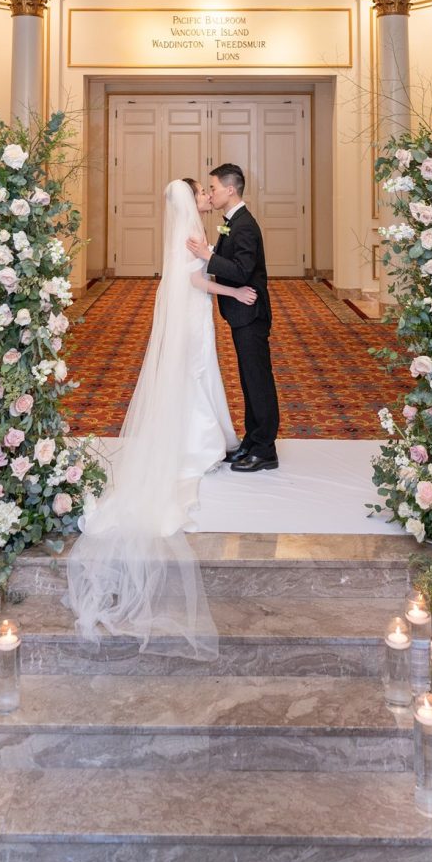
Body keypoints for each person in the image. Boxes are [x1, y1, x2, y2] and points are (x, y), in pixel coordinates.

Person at [66, 177, 256, 656]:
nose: (202, 196)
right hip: (195, 312)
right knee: (196, 374)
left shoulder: (183, 228)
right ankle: (199, 442)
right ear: (187, 198)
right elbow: (193, 278)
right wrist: (232, 294)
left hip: (193, 313)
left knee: (198, 375)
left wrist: (211, 262)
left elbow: (192, 269)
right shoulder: (189, 228)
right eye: (198, 191)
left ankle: (205, 435)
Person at [187, 163, 279, 472]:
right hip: (241, 314)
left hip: (251, 313)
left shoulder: (245, 225)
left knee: (258, 380)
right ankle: (253, 440)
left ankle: (265, 448)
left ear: (230, 189)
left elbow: (241, 271)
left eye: (212, 188)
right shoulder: (233, 222)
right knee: (248, 379)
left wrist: (207, 257)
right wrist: (211, 252)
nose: (210, 193)